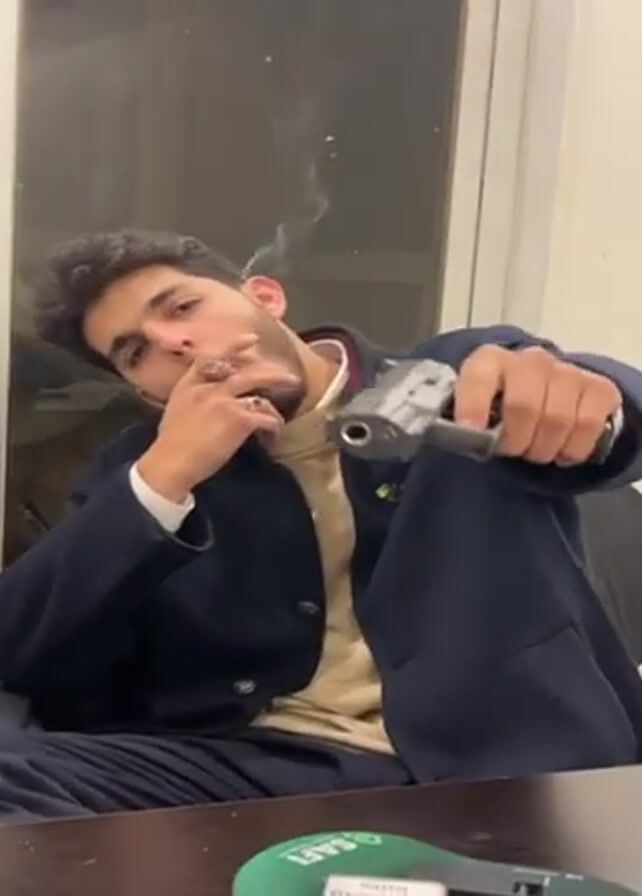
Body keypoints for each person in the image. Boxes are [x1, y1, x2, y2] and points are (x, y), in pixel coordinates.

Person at [0, 228, 641, 823]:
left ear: (265, 298)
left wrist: (589, 405)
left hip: (505, 756)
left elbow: (603, 412)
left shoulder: (448, 376)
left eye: (183, 307)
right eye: (136, 352)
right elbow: (19, 644)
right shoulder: (143, 467)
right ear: (146, 391)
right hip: (270, 766)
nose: (174, 343)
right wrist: (165, 478)